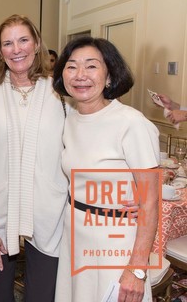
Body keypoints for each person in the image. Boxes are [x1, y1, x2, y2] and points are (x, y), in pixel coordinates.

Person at [0, 14, 68, 302]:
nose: (17, 49)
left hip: (52, 216)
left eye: (23, 40)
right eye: (7, 43)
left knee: (43, 296)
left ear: (36, 44)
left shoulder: (61, 93)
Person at [52, 37, 159, 302]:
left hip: (115, 242)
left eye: (91, 66)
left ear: (109, 75)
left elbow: (150, 201)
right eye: (72, 66)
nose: (80, 75)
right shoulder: (71, 118)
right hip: (75, 234)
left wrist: (137, 269)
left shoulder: (131, 123)